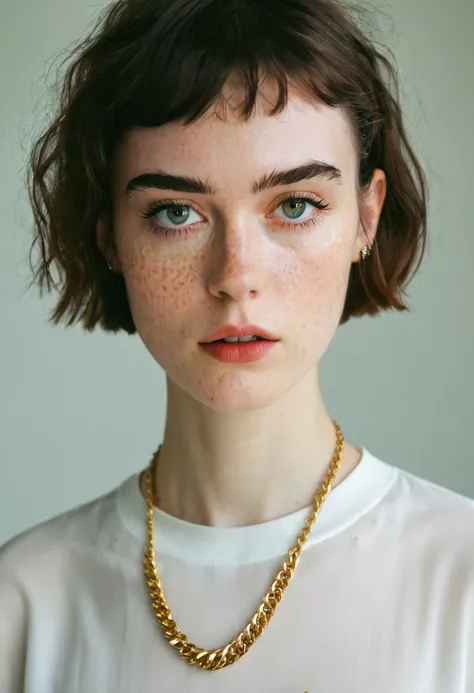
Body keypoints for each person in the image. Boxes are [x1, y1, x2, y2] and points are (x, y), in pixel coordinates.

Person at [1, 0, 473, 690]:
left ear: (364, 218)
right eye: (176, 213)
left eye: (295, 205)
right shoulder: (23, 605)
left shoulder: (462, 585)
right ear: (109, 235)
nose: (235, 278)